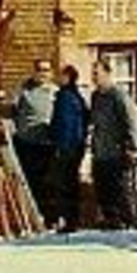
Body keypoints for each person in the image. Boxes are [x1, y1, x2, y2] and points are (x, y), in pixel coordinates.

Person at [90, 59, 137, 229]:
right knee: (103, 187)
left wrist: (133, 146)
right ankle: (110, 218)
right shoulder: (96, 96)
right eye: (93, 74)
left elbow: (131, 120)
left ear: (107, 73)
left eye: (97, 73)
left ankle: (127, 219)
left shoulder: (118, 95)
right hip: (100, 149)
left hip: (117, 150)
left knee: (120, 187)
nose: (94, 77)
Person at [11, 59, 57, 216]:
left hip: (48, 143)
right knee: (30, 180)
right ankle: (31, 214)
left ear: (51, 73)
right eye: (40, 70)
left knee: (48, 182)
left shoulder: (55, 92)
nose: (43, 73)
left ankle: (48, 214)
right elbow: (12, 112)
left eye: (46, 70)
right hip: (27, 143)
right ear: (34, 71)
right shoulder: (24, 91)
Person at [46, 64, 88, 232]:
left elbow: (64, 124)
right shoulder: (78, 97)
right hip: (76, 146)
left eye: (61, 76)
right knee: (71, 183)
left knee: (63, 184)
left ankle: (67, 219)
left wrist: (58, 143)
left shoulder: (65, 97)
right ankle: (72, 218)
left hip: (67, 147)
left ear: (68, 78)